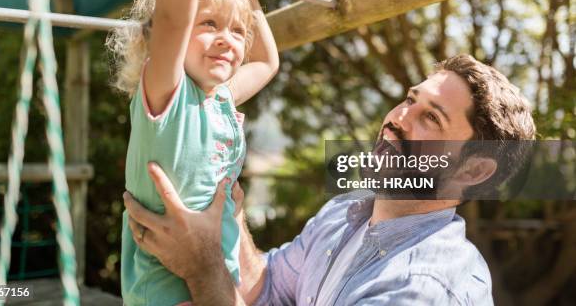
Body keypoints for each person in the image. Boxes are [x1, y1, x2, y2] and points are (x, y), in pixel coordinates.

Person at [124, 54, 536, 305]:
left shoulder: (422, 287)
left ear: (474, 170)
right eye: (410, 100)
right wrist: (229, 213)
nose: (397, 119)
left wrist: (202, 267)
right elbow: (266, 289)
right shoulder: (347, 210)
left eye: (431, 117)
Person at [106, 0, 278, 304]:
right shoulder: (168, 94)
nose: (227, 39)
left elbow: (267, 62)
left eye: (238, 32)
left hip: (217, 280)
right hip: (164, 291)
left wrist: (252, 2)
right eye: (210, 24)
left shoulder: (219, 98)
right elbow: (171, 19)